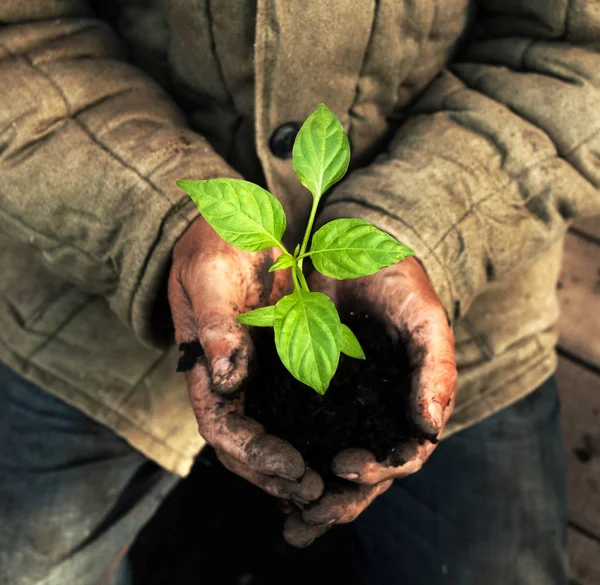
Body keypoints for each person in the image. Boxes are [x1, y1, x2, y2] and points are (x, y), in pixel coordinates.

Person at [0, 1, 597, 583]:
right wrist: (161, 216)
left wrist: (420, 226)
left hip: (471, 255)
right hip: (83, 280)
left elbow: (575, 56)